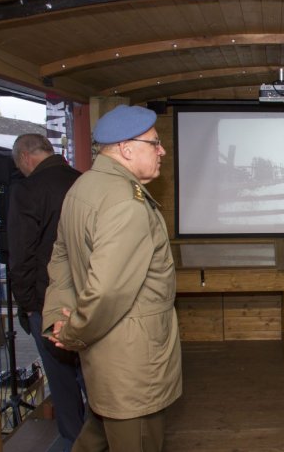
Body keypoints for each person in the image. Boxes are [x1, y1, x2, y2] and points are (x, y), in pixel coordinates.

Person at [42, 105, 182, 452]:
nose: (162, 150)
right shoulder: (126, 203)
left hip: (107, 357)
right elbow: (107, 292)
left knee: (97, 434)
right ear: (127, 148)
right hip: (132, 361)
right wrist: (72, 331)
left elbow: (61, 259)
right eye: (155, 143)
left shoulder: (84, 187)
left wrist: (56, 319)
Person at [7, 134, 85, 451]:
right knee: (92, 375)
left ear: (25, 157)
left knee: (63, 382)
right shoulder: (82, 182)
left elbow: (21, 255)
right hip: (89, 298)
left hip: (48, 302)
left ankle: (75, 441)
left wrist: (28, 306)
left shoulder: (27, 190)